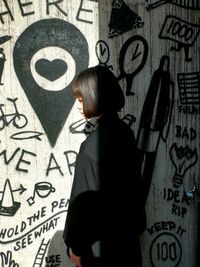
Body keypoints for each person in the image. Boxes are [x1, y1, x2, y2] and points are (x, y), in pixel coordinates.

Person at [63, 65, 146, 267]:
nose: (76, 105)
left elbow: (81, 205)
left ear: (94, 96)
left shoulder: (91, 148)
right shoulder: (126, 133)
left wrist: (75, 248)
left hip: (100, 252)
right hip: (128, 247)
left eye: (80, 99)